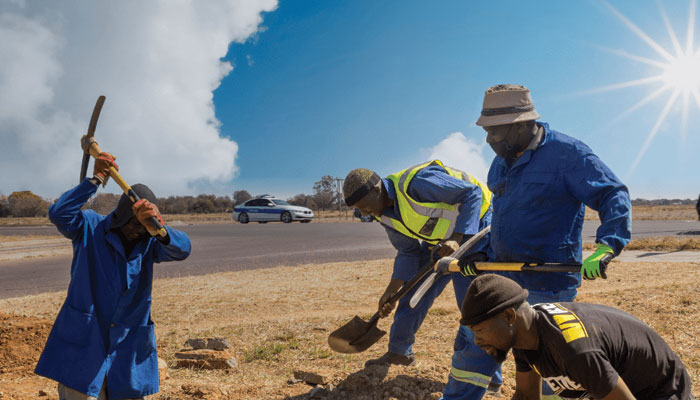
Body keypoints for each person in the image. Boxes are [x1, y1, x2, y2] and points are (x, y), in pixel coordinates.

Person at [34, 148, 192, 400]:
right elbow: (59, 213)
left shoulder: (151, 241)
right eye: (134, 224)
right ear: (121, 216)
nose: (137, 232)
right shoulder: (89, 226)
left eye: (143, 227)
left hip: (127, 353)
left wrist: (159, 229)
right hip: (84, 347)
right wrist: (94, 180)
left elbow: (183, 249)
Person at [343, 161, 502, 398]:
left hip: (476, 229)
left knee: (473, 305)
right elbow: (408, 252)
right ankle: (399, 352)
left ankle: (490, 379)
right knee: (412, 294)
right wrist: (392, 290)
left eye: (365, 207)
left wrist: (458, 238)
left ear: (377, 190)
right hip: (440, 239)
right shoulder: (383, 215)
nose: (365, 213)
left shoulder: (418, 184)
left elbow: (472, 193)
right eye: (360, 210)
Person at [461, 274, 694, 400]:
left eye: (479, 330)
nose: (477, 340)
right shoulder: (526, 334)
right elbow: (525, 395)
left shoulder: (574, 350)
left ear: (509, 316)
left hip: (661, 391)